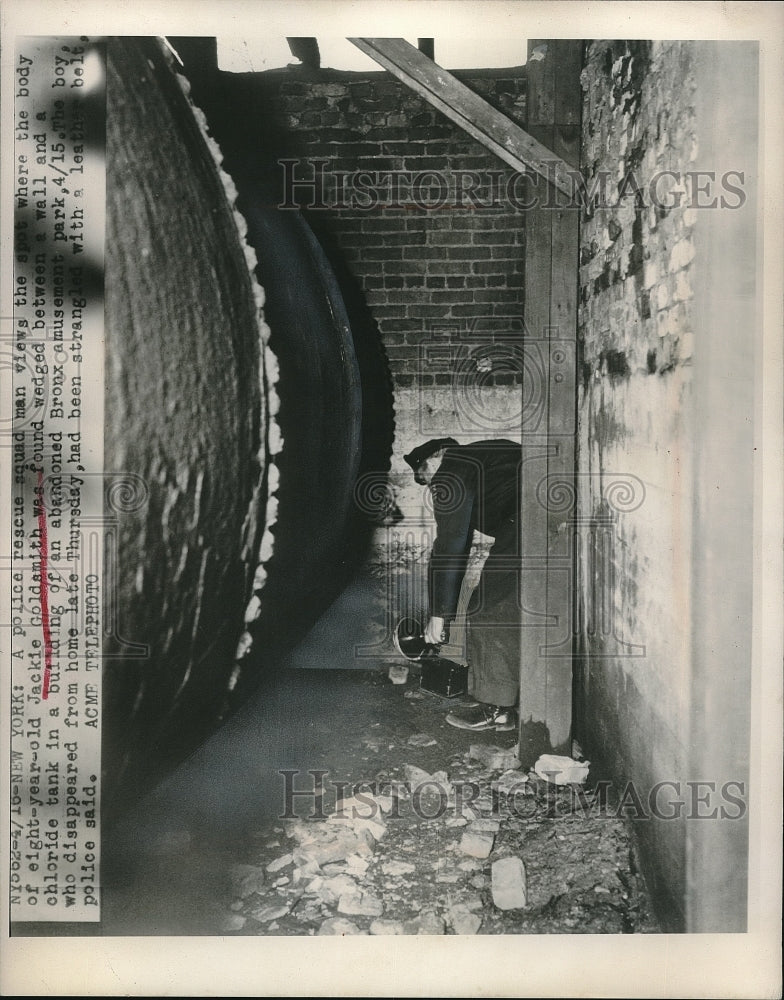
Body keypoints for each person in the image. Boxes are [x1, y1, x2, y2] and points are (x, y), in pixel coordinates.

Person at [403, 437, 522, 732]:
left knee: (488, 608)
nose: (432, 489)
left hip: (527, 523)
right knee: (510, 610)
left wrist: (438, 616)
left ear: (432, 461)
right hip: (539, 519)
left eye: (427, 480)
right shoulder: (482, 456)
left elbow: (450, 546)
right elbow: (458, 540)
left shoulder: (452, 469)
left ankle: (498, 707)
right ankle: (505, 697)